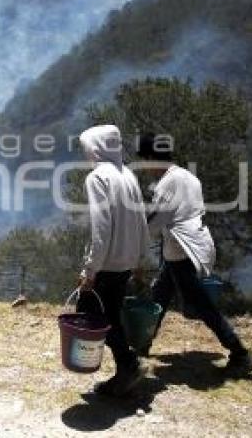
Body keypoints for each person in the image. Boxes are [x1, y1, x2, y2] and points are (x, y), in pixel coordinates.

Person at [136, 132, 252, 375]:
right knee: (160, 293)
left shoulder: (167, 183)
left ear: (151, 158)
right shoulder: (188, 176)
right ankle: (141, 345)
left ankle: (240, 353)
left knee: (201, 304)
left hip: (181, 251)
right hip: (190, 246)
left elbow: (156, 221)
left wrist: (132, 248)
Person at [76, 124, 150, 396]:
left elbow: (101, 226)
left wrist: (90, 268)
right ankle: (126, 370)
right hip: (126, 261)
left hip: (107, 263)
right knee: (112, 316)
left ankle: (127, 366)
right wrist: (141, 256)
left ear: (96, 148)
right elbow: (141, 218)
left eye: (87, 148)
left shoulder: (97, 178)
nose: (86, 154)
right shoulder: (127, 174)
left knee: (91, 315)